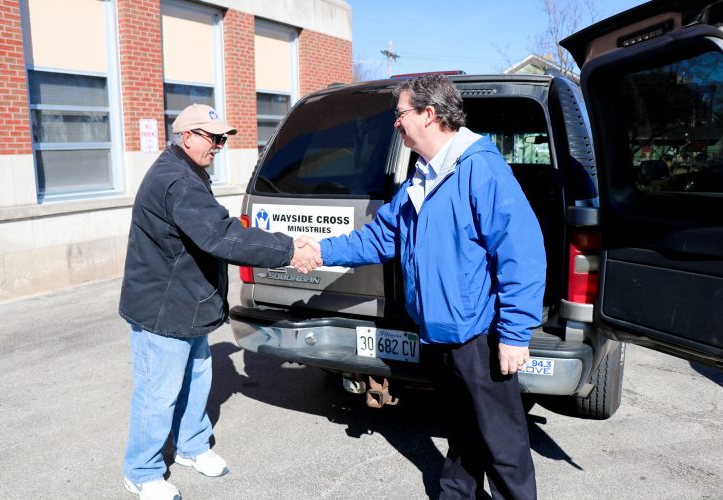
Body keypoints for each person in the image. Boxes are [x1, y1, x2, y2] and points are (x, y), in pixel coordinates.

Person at [302, 74, 546, 499]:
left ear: (429, 115)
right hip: (438, 333)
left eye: (400, 114)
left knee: (502, 443)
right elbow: (379, 238)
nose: (396, 124)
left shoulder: (480, 169)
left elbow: (520, 252)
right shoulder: (422, 178)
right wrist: (319, 251)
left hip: (480, 336)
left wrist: (514, 334)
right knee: (462, 429)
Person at [119, 103, 320, 500]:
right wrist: (288, 249)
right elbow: (221, 235)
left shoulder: (188, 173)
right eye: (213, 138)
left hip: (187, 304)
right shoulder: (177, 182)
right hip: (163, 308)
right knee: (157, 392)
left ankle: (192, 446)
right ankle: (141, 471)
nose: (219, 145)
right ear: (187, 136)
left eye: (223, 138)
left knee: (196, 379)